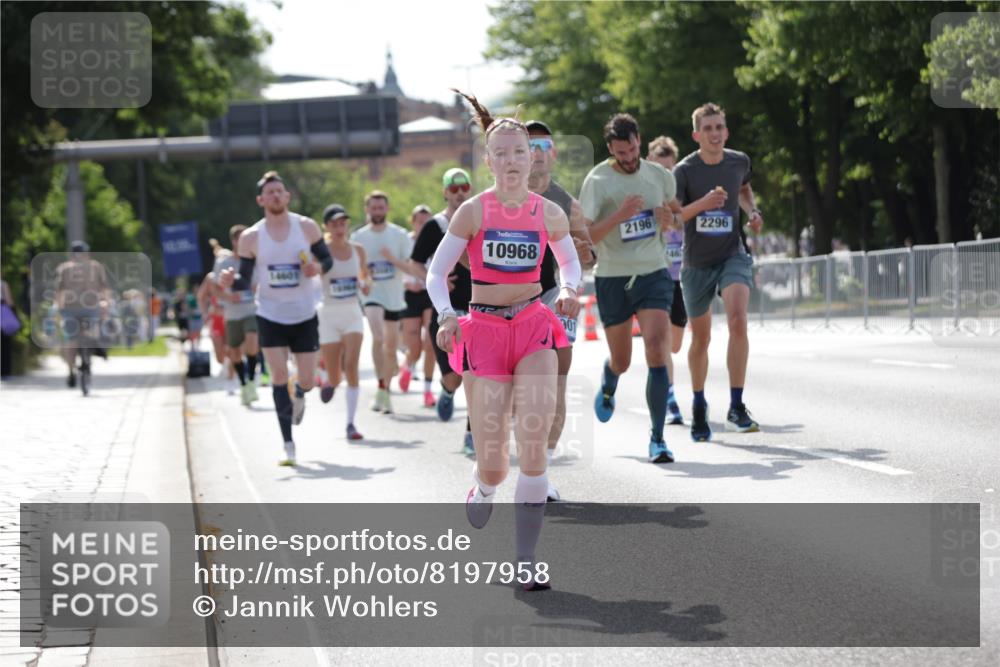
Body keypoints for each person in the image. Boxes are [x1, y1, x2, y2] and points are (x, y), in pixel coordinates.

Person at [428, 90, 581, 591]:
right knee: (494, 459)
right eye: (504, 153)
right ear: (489, 160)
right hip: (485, 330)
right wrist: (447, 314)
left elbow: (570, 262)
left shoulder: (547, 212)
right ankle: (482, 486)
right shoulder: (473, 211)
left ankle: (525, 558)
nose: (514, 160)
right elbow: (437, 273)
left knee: (532, 440)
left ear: (531, 158)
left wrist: (571, 290)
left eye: (522, 152)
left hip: (534, 324)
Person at [579, 113, 683, 463]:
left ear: (640, 140)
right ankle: (610, 380)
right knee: (623, 360)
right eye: (621, 153)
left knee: (656, 347)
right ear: (611, 149)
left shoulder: (658, 176)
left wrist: (670, 220)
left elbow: (676, 214)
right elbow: (586, 237)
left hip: (653, 271)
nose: (629, 158)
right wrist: (619, 215)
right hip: (612, 277)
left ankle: (657, 438)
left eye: (634, 149)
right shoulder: (598, 180)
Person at [219, 170, 334, 466]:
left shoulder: (306, 227)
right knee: (278, 376)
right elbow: (244, 281)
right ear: (260, 200)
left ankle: (300, 393)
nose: (275, 196)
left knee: (307, 379)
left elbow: (327, 259)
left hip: (304, 313)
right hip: (269, 314)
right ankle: (288, 444)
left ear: (287, 196)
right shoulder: (251, 237)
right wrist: (230, 279)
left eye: (279, 191)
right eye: (269, 192)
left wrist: (316, 269)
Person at [672, 103, 764, 441]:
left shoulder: (739, 161)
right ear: (697, 135)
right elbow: (674, 216)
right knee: (701, 338)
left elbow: (743, 188)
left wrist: (752, 211)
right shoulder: (683, 172)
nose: (715, 134)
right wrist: (704, 204)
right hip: (696, 263)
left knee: (738, 318)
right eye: (708, 128)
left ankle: (737, 405)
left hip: (732, 254)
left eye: (720, 127)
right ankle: (698, 404)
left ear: (726, 131)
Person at [525, 119, 597, 501]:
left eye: (543, 146)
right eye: (529, 146)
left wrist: (585, 253)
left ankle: (542, 474)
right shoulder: (502, 196)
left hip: (552, 295)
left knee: (556, 381)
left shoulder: (567, 203)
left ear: (552, 152)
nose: (536, 154)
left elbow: (586, 256)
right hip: (506, 301)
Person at [408, 167, 475, 454]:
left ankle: (473, 435)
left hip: (477, 310)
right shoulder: (435, 226)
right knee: (455, 378)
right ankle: (447, 391)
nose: (460, 193)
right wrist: (438, 279)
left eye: (464, 188)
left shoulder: (479, 220)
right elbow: (415, 262)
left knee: (477, 376)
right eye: (454, 188)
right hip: (446, 312)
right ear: (445, 192)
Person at [350, 191, 413, 415]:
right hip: (371, 295)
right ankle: (380, 384)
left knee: (390, 347)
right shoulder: (358, 238)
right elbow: (353, 269)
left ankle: (385, 389)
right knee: (378, 337)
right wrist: (363, 279)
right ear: (367, 209)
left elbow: (411, 268)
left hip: (394, 297)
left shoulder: (399, 235)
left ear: (387, 209)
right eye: (373, 208)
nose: (377, 212)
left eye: (381, 208)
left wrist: (392, 259)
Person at [317, 204, 369, 441]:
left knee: (351, 366)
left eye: (343, 223)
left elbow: (364, 278)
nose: (340, 228)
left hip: (351, 313)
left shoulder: (358, 250)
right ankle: (328, 378)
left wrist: (365, 285)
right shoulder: (321, 251)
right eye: (334, 224)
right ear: (326, 226)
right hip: (328, 315)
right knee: (336, 377)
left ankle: (350, 424)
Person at [647, 135, 686, 425]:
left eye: (669, 168)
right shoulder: (643, 196)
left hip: (682, 278)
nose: (665, 174)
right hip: (656, 276)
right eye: (659, 168)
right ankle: (670, 397)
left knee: (675, 344)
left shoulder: (680, 196)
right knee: (663, 343)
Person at [212, 226, 262, 406]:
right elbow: (215, 289)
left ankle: (251, 380)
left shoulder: (255, 261)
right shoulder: (223, 263)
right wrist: (227, 296)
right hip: (232, 313)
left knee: (252, 341)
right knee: (234, 352)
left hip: (251, 310)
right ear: (233, 241)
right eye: (239, 239)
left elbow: (261, 283)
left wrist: (257, 289)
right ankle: (243, 383)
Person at [54, 241, 112, 388]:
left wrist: (59, 309)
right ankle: (93, 349)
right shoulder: (95, 266)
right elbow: (104, 288)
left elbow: (59, 291)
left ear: (71, 254)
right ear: (87, 253)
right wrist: (106, 305)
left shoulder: (64, 268)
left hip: (70, 308)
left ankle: (71, 370)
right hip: (91, 306)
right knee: (92, 330)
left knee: (71, 340)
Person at [399, 204, 437, 408]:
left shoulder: (436, 239)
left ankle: (428, 391)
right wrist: (406, 281)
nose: (423, 225)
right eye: (420, 221)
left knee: (430, 344)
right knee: (414, 347)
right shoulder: (406, 241)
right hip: (410, 295)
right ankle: (408, 364)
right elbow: (400, 265)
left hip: (430, 295)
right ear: (413, 222)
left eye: (427, 221)